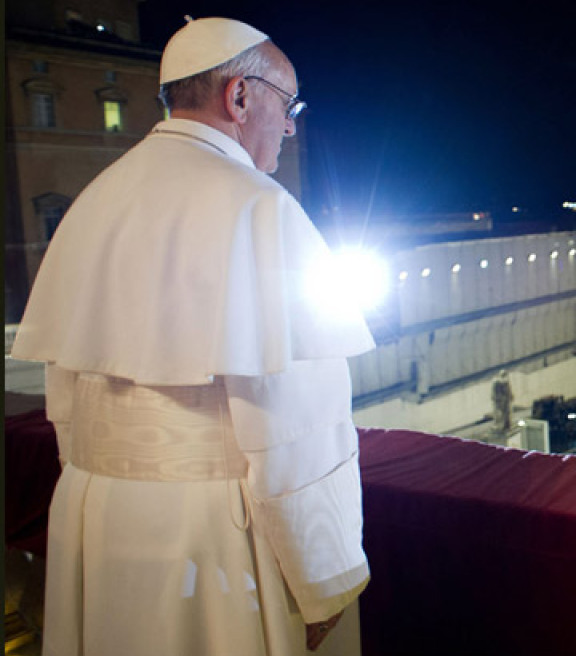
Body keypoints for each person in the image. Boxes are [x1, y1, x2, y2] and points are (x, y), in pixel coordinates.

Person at [12, 16, 375, 655]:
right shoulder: (261, 207)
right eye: (286, 105)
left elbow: (64, 401)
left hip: (95, 520)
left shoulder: (95, 197)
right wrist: (323, 578)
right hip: (213, 542)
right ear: (239, 97)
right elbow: (298, 431)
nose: (290, 126)